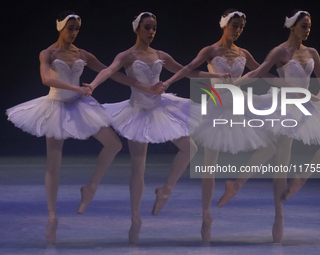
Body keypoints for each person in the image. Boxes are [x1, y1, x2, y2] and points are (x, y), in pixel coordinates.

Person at [6, 11, 160, 244]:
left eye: (77, 28)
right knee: (53, 164)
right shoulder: (48, 53)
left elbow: (112, 74)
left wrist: (142, 86)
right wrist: (78, 89)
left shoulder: (83, 54)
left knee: (114, 144)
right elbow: (46, 79)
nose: (74, 32)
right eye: (70, 28)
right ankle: (52, 217)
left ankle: (90, 187)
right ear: (60, 28)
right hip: (55, 106)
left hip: (80, 106)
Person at [84, 12, 231, 244]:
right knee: (138, 167)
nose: (151, 32)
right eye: (147, 27)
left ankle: (166, 189)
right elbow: (109, 71)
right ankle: (135, 219)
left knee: (189, 148)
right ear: (137, 29)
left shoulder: (161, 55)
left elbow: (187, 71)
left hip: (161, 108)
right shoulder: (127, 55)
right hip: (137, 112)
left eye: (154, 28)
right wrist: (92, 84)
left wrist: (216, 74)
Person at [159, 9, 281, 242]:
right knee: (209, 165)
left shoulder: (244, 52)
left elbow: (262, 70)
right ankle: (206, 216)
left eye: (241, 27)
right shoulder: (211, 50)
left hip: (238, 105)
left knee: (270, 147)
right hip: (216, 106)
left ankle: (236, 183)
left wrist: (288, 84)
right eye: (234, 25)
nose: (238, 30)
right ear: (225, 25)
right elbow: (188, 69)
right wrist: (167, 82)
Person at [225, 10, 320, 242]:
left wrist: (319, 95)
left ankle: (303, 176)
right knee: (281, 163)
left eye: (309, 26)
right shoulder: (280, 51)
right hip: (284, 106)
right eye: (304, 26)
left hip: (307, 104)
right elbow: (259, 71)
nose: (307, 30)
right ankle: (279, 217)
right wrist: (235, 82)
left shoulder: (312, 52)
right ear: (293, 27)